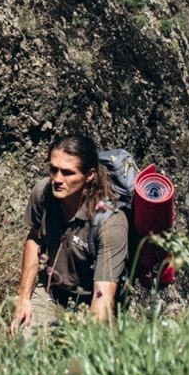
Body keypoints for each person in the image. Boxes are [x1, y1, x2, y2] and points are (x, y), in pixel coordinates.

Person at [11, 133, 128, 331]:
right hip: (51, 293)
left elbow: (103, 295)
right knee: (23, 347)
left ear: (90, 175)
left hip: (92, 302)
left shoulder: (111, 223)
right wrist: (23, 298)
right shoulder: (44, 193)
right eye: (53, 170)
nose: (57, 179)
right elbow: (35, 239)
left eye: (67, 173)